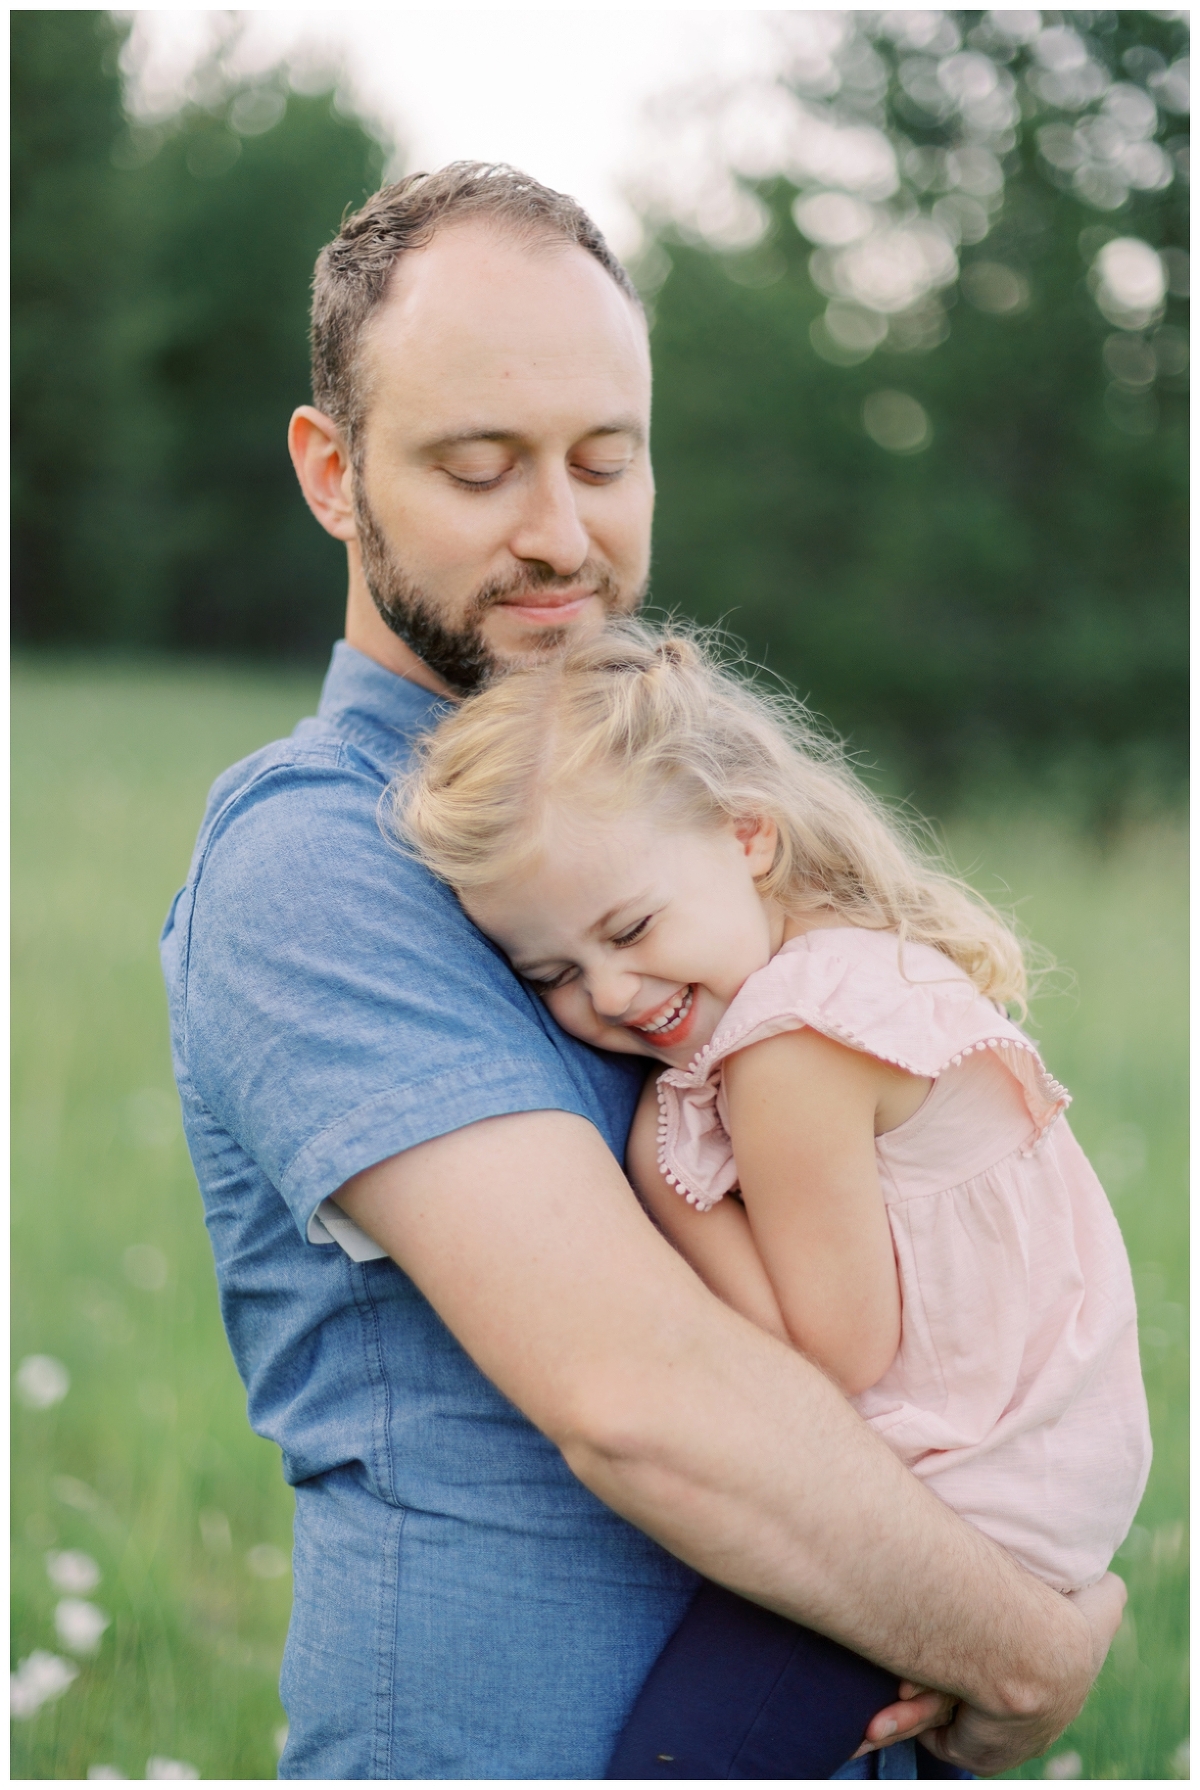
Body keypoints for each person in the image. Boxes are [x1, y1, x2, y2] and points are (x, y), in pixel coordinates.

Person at [161, 163, 1126, 1781]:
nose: (561, 534)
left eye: (607, 461)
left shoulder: (662, 826)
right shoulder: (321, 857)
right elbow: (640, 1397)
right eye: (479, 468)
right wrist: (1030, 1648)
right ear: (332, 474)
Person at [398, 620, 1153, 1777]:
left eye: (629, 927)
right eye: (550, 972)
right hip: (1018, 1482)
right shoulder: (858, 963)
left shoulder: (789, 1044)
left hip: (957, 1501)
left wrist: (667, 1181)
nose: (609, 989)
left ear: (747, 834)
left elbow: (836, 1349)